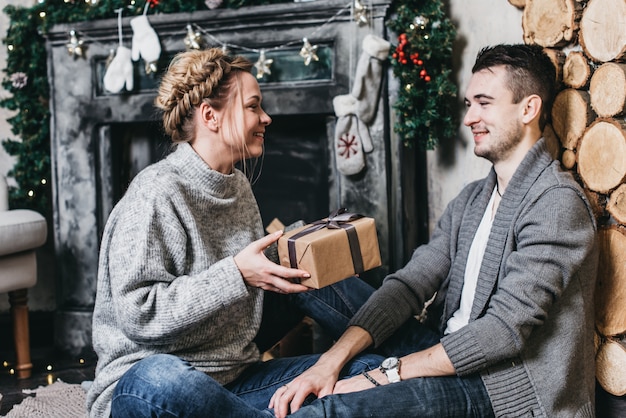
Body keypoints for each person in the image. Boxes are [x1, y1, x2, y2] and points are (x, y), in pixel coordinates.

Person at [270, 44, 599, 418]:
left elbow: (503, 331)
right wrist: (327, 363)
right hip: (446, 346)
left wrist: (384, 374)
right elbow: (411, 283)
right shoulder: (473, 198)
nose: (469, 117)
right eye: (468, 104)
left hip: (499, 386)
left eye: (484, 103)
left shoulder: (556, 203)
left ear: (528, 109)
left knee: (331, 409)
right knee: (319, 282)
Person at [86, 48, 382, 418]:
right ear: (210, 115)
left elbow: (251, 288)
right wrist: (237, 273)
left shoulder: (236, 185)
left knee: (369, 371)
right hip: (146, 386)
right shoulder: (155, 193)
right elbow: (140, 315)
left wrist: (300, 247)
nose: (266, 118)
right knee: (159, 377)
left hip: (233, 377)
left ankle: (430, 356)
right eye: (253, 106)